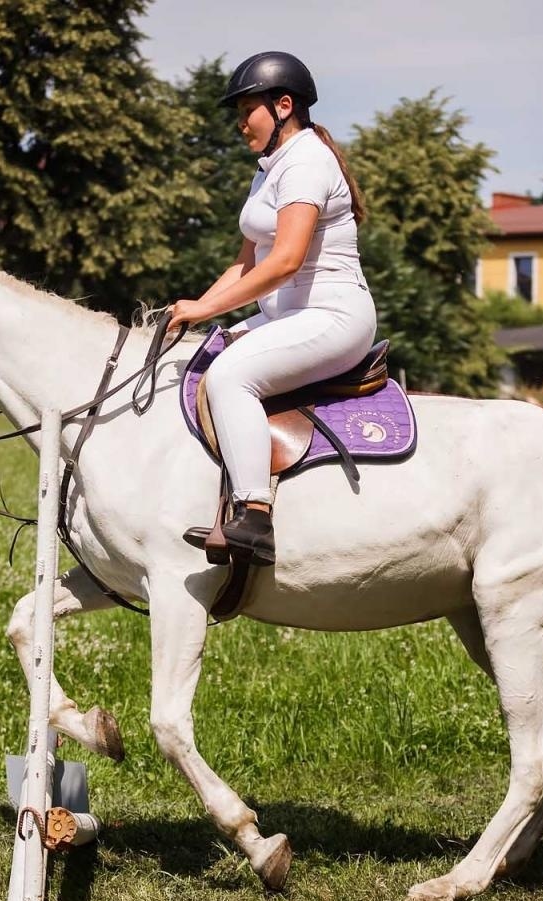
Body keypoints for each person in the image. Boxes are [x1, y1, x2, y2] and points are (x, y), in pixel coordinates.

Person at [166, 51, 375, 567]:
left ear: (284, 106)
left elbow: (284, 262)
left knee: (229, 377)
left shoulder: (307, 161)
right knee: (199, 358)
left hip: (333, 317)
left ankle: (255, 517)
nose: (240, 124)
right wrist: (194, 310)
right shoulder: (269, 169)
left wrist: (205, 309)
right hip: (288, 317)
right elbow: (245, 264)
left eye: (247, 111)